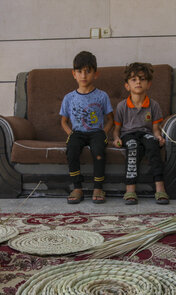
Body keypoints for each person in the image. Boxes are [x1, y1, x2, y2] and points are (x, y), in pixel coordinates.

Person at [60, 51, 114, 204]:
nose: (83, 75)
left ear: (95, 74)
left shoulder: (102, 96)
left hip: (96, 132)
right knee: (71, 150)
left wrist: (104, 133)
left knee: (98, 151)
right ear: (74, 74)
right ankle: (77, 187)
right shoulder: (69, 97)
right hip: (77, 133)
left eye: (88, 71)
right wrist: (70, 133)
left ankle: (98, 187)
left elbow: (111, 119)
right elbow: (63, 121)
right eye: (79, 71)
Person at [112, 62, 169, 205]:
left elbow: (155, 129)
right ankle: (130, 189)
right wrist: (116, 139)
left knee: (153, 143)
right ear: (127, 85)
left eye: (142, 79)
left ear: (148, 84)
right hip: (128, 135)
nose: (138, 82)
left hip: (145, 134)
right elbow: (117, 130)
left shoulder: (154, 105)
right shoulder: (121, 106)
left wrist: (159, 137)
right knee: (132, 146)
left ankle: (160, 187)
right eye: (134, 80)